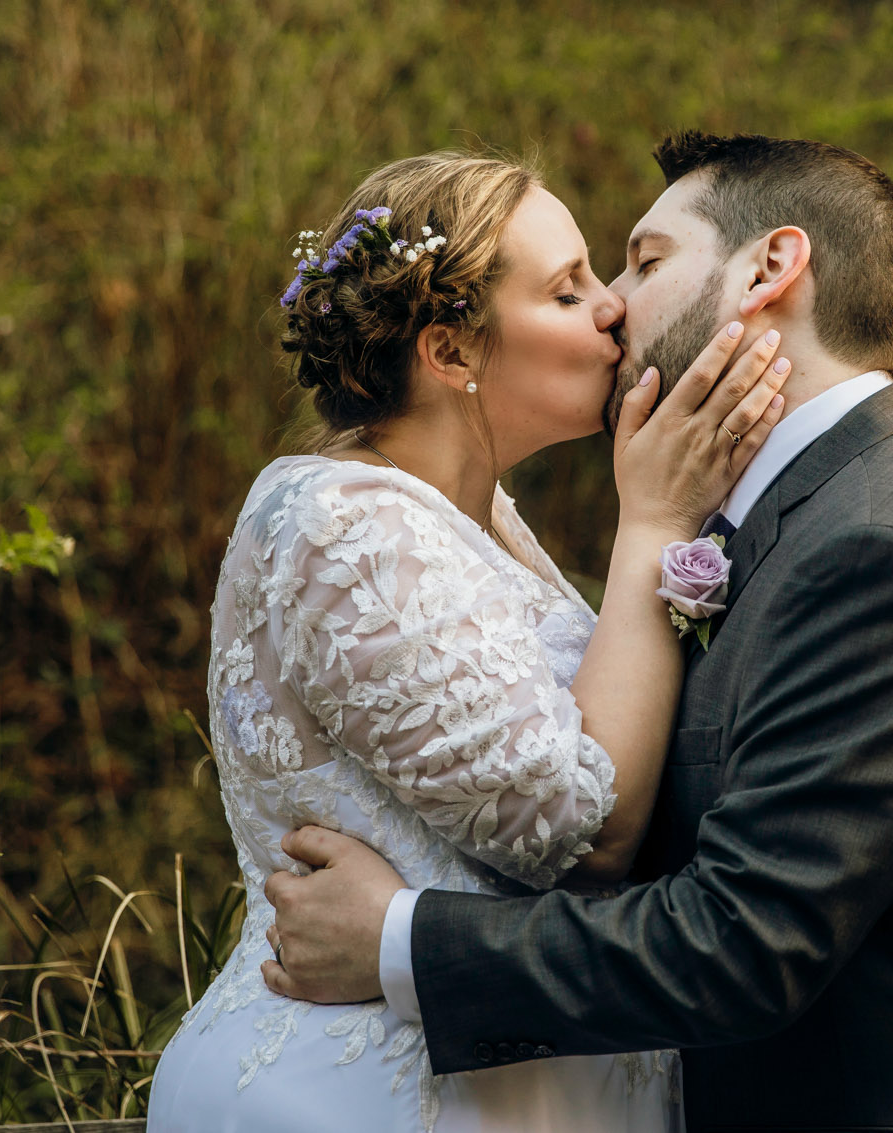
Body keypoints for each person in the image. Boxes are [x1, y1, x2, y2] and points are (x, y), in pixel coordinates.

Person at [259, 132, 893, 1133]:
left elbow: (742, 942)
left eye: (644, 259)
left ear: (770, 268)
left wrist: (398, 939)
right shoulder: (815, 513)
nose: (613, 301)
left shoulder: (879, 552)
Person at [145, 148, 795, 1133]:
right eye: (567, 289)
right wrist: (654, 526)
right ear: (449, 352)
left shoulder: (476, 518)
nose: (611, 308)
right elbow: (573, 828)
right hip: (362, 1097)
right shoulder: (341, 526)